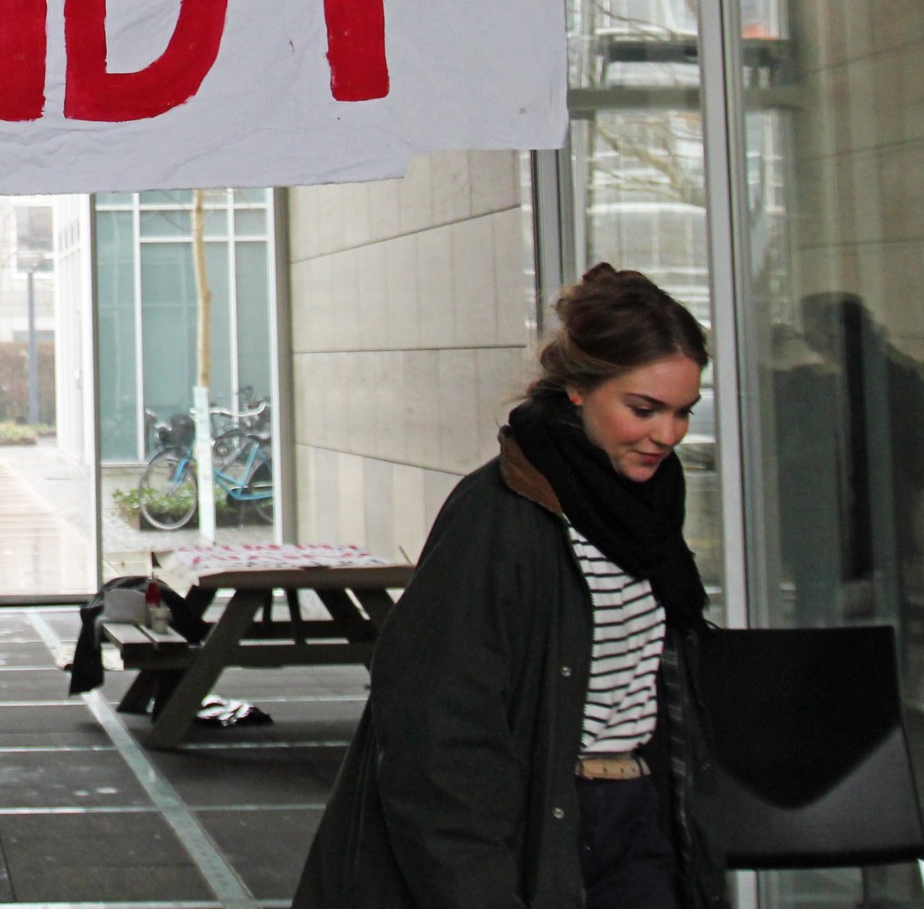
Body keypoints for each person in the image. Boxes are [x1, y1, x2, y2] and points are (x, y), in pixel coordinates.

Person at [293, 263, 725, 909]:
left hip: (638, 817)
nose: (668, 434)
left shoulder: (652, 509)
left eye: (683, 411)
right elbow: (438, 737)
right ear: (578, 389)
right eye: (644, 408)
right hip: (536, 824)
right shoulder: (500, 513)